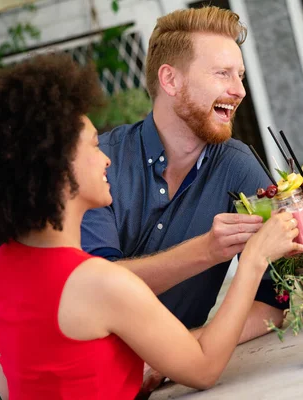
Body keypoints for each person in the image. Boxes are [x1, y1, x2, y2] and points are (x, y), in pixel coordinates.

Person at [0, 53, 303, 399]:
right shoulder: (101, 283)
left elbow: (9, 386)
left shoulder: (2, 267)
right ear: (57, 168)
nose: (105, 157)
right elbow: (204, 368)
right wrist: (255, 258)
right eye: (92, 145)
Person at [81, 6, 285, 359]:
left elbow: (274, 302)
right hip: (93, 376)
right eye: (222, 74)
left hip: (180, 377)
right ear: (170, 80)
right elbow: (96, 289)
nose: (239, 91)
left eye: (240, 76)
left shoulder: (238, 166)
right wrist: (206, 250)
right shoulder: (102, 164)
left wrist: (181, 352)